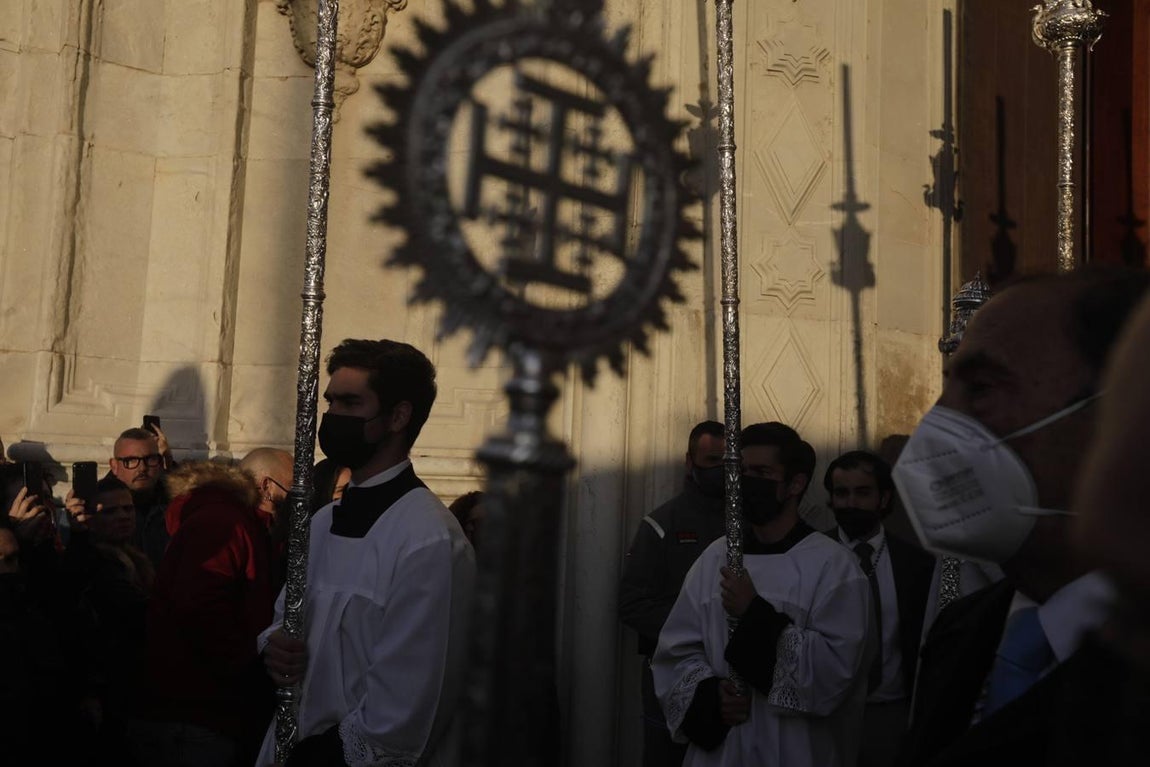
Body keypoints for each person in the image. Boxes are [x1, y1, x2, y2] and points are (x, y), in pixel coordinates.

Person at [893, 268, 1150, 767]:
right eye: (948, 391)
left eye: (983, 388)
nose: (937, 425)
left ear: (1114, 415)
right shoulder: (962, 630)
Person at [256, 339, 475, 767]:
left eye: (350, 403)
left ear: (398, 416)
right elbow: (286, 620)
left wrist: (318, 757)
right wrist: (273, 645)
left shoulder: (428, 540)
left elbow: (406, 703)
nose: (333, 417)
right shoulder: (320, 523)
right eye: (331, 402)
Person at [653, 422, 872, 767]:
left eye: (762, 472)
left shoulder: (834, 567)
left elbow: (836, 674)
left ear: (795, 484)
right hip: (721, 753)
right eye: (740, 470)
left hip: (797, 750)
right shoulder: (714, 558)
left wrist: (753, 612)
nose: (745, 481)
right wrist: (710, 695)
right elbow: (676, 652)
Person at [134, 458, 279, 767]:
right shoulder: (221, 522)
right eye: (292, 489)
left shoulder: (226, 518)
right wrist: (245, 666)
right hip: (202, 709)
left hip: (203, 707)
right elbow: (200, 607)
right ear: (267, 488)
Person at [618, 420, 726, 767]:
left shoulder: (751, 525)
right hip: (672, 676)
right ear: (689, 461)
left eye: (728, 462)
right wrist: (698, 630)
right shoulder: (661, 524)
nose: (720, 471)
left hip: (731, 678)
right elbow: (632, 604)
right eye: (711, 461)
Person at [823, 451, 934, 767]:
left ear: (884, 498)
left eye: (863, 492)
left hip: (891, 716)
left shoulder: (920, 564)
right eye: (841, 493)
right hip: (827, 715)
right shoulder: (810, 558)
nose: (851, 503)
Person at [108, 427, 172, 569]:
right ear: (114, 466)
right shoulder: (98, 507)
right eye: (131, 460)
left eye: (150, 459)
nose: (142, 468)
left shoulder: (176, 506)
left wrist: (173, 470)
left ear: (160, 463)